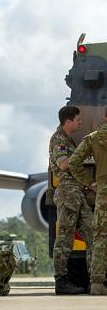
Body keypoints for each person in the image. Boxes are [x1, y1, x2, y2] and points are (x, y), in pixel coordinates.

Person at [49, 105, 93, 294]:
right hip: (67, 193)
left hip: (77, 194)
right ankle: (61, 281)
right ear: (68, 121)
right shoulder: (58, 139)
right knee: (65, 239)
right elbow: (64, 164)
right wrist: (82, 153)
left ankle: (96, 280)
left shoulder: (68, 140)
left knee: (94, 233)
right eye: (78, 119)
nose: (80, 122)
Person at [69, 107, 107, 295]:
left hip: (103, 191)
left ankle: (97, 284)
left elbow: (74, 162)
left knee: (101, 237)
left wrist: (89, 183)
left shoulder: (93, 138)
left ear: (105, 117)